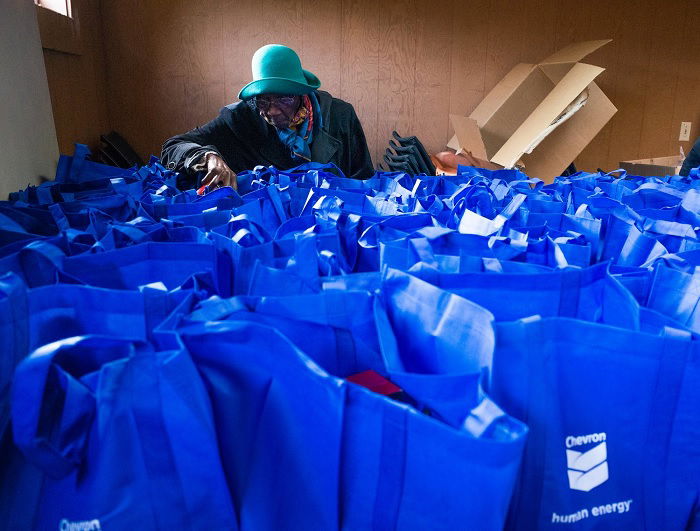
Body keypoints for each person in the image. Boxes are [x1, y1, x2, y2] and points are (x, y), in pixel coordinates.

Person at [161, 44, 374, 190]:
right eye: (263, 100)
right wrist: (207, 157)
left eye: (283, 99)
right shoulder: (240, 117)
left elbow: (364, 180)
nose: (271, 111)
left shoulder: (340, 116)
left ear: (301, 95)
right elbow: (174, 145)